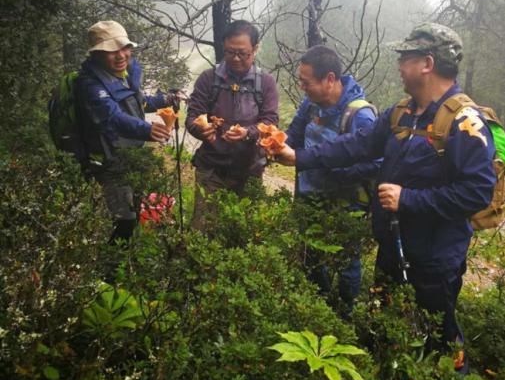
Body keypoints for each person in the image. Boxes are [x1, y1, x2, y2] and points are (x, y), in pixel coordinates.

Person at [275, 23, 496, 369]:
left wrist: (408, 199)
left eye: (405, 58)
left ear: (427, 62)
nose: (399, 66)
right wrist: (299, 157)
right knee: (387, 333)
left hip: (435, 260)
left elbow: (478, 192)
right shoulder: (401, 112)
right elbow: (357, 146)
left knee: (440, 342)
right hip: (392, 250)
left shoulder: (465, 122)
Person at [286, 45, 379, 313]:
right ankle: (318, 307)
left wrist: (334, 172)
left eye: (307, 82)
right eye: (299, 81)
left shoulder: (360, 114)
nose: (302, 87)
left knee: (346, 260)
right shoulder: (310, 104)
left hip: (345, 205)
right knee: (310, 255)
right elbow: (294, 135)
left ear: (329, 79)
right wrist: (275, 145)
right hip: (308, 197)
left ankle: (345, 313)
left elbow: (376, 163)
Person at [76, 20, 177, 243]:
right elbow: (112, 116)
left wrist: (164, 100)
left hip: (130, 157)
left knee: (135, 211)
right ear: (97, 55)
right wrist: (147, 130)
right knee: (124, 221)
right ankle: (108, 274)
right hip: (109, 163)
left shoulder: (123, 74)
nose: (121, 55)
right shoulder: (90, 85)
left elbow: (136, 104)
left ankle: (126, 266)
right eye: (112, 50)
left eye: (124, 47)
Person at [186, 20, 278, 232]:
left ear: (255, 49)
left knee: (243, 232)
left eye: (243, 53)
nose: (235, 59)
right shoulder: (208, 79)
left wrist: (248, 133)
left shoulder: (265, 83)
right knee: (204, 229)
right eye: (229, 52)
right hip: (211, 169)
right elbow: (192, 118)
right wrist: (200, 129)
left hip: (250, 170)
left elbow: (270, 121)